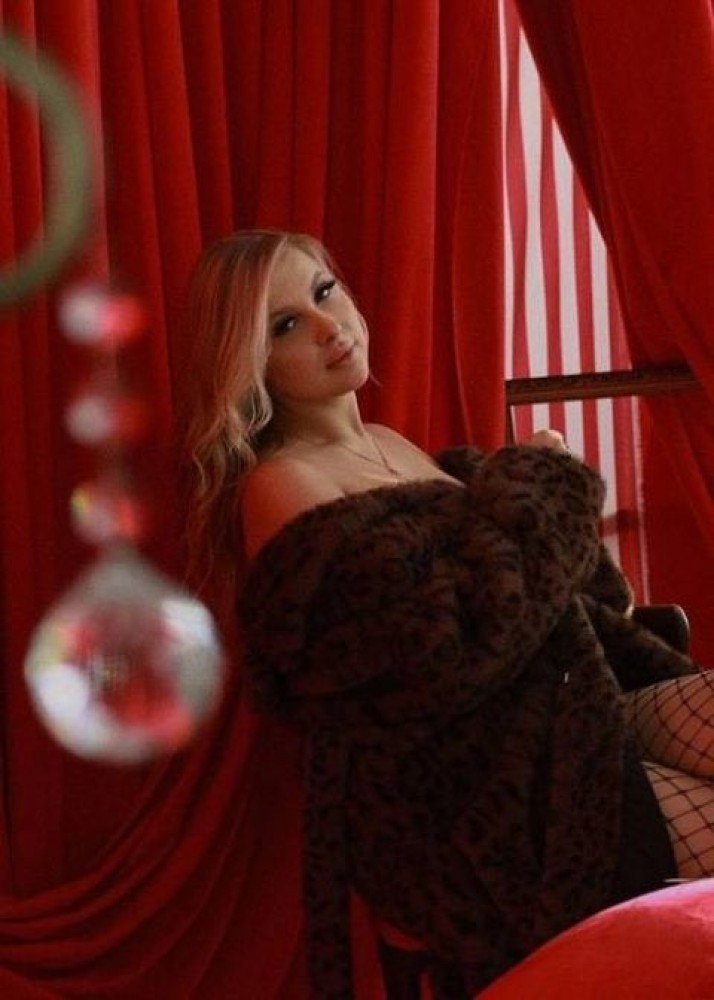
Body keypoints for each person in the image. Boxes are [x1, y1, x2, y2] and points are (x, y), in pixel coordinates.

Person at [181, 229, 714, 999]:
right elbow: (442, 652)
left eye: (325, 292)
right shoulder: (281, 483)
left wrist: (548, 500)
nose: (329, 326)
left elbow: (544, 597)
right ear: (249, 363)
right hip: (474, 791)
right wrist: (535, 484)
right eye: (286, 324)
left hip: (568, 717)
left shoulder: (392, 443)